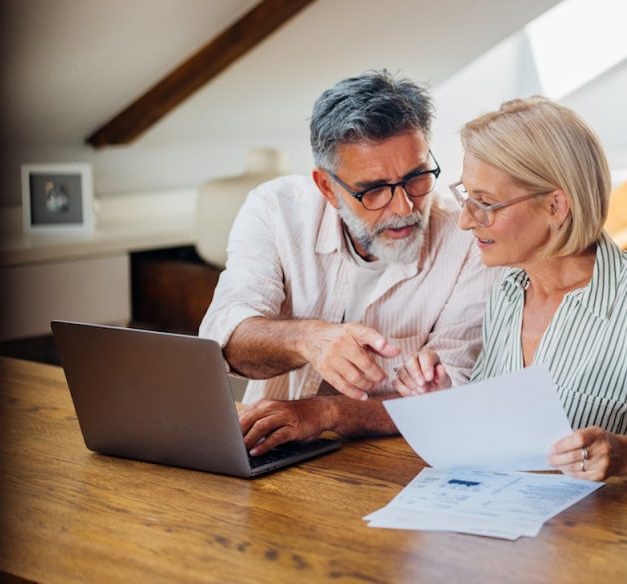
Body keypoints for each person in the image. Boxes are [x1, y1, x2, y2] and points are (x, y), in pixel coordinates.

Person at [394, 96, 627, 481]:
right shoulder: (507, 290)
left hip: (614, 520)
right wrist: (443, 400)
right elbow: (502, 438)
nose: (465, 220)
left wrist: (624, 456)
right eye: (467, 196)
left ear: (556, 207)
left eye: (485, 203)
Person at [200, 70, 495, 456]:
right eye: (374, 190)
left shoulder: (469, 238)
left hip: (404, 459)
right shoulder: (275, 210)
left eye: (417, 178)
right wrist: (309, 339)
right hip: (270, 453)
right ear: (327, 187)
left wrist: (327, 413)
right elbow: (224, 339)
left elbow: (453, 392)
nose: (404, 207)